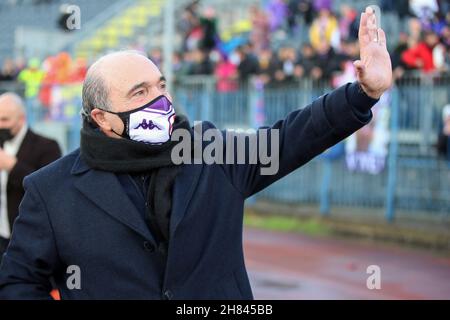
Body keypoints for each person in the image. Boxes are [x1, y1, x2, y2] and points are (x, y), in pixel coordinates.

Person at [0, 7, 392, 299]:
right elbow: (18, 282)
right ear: (103, 118)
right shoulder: (51, 190)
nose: (160, 99)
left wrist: (363, 93)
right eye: (140, 92)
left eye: (160, 85)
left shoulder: (211, 152)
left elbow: (292, 137)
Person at [0, 93, 61, 263]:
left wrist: (12, 166)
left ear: (21, 119)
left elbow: (51, 189)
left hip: (30, 239)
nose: (0, 125)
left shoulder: (47, 146)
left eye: (5, 120)